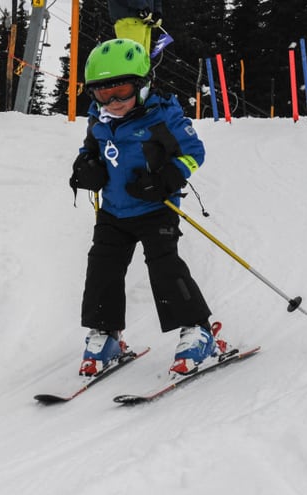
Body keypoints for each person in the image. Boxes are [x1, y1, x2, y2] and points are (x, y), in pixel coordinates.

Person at [68, 38, 215, 378]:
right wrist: (86, 165)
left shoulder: (162, 117)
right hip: (113, 211)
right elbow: (90, 149)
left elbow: (194, 152)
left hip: (156, 208)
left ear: (143, 84)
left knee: (164, 267)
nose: (114, 102)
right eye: (104, 94)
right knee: (102, 267)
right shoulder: (98, 120)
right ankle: (106, 336)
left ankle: (198, 330)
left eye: (121, 91)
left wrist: (167, 178)